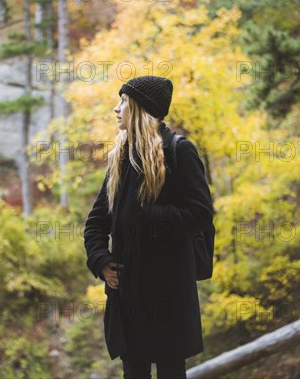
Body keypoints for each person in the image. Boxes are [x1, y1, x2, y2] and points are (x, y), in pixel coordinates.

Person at [83, 75, 214, 379]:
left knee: (171, 370)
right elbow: (96, 222)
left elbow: (200, 214)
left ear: (140, 109)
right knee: (134, 371)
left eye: (123, 103)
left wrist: (148, 215)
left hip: (170, 293)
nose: (116, 109)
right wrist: (101, 261)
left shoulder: (180, 151)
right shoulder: (120, 158)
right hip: (128, 292)